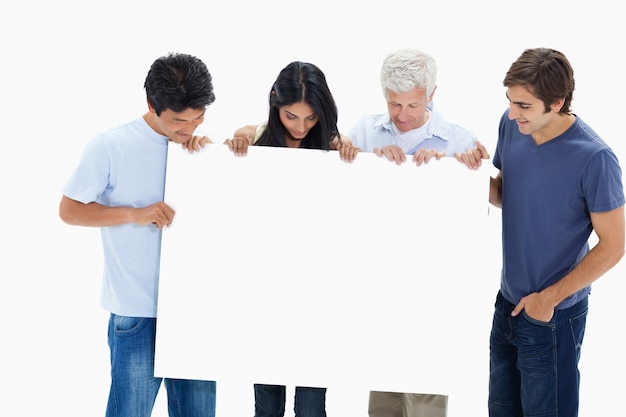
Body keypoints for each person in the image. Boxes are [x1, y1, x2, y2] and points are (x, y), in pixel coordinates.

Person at [59, 53, 217, 417]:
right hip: (136, 310)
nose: (189, 128)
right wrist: (136, 213)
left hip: (195, 310)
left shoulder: (197, 150)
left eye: (198, 118)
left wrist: (208, 159)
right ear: (151, 105)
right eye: (179, 121)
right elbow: (69, 210)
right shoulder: (110, 145)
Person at [485, 47, 624, 417]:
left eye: (524, 106)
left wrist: (548, 300)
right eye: (510, 101)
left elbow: (614, 245)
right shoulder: (511, 125)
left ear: (557, 102)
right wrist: (460, 177)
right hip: (507, 306)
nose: (513, 113)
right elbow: (506, 194)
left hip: (553, 317)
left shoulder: (595, 159)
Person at [225, 61, 348, 417]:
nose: (300, 126)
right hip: (266, 290)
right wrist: (228, 151)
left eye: (310, 118)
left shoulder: (332, 146)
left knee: (311, 407)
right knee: (267, 405)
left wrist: (349, 156)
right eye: (291, 116)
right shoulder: (252, 137)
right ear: (275, 104)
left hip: (316, 291)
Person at [342, 48, 480, 167]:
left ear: (431, 94)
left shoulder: (462, 143)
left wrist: (441, 170)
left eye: (413, 105)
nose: (403, 116)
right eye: (395, 104)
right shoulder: (363, 132)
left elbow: (477, 193)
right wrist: (371, 163)